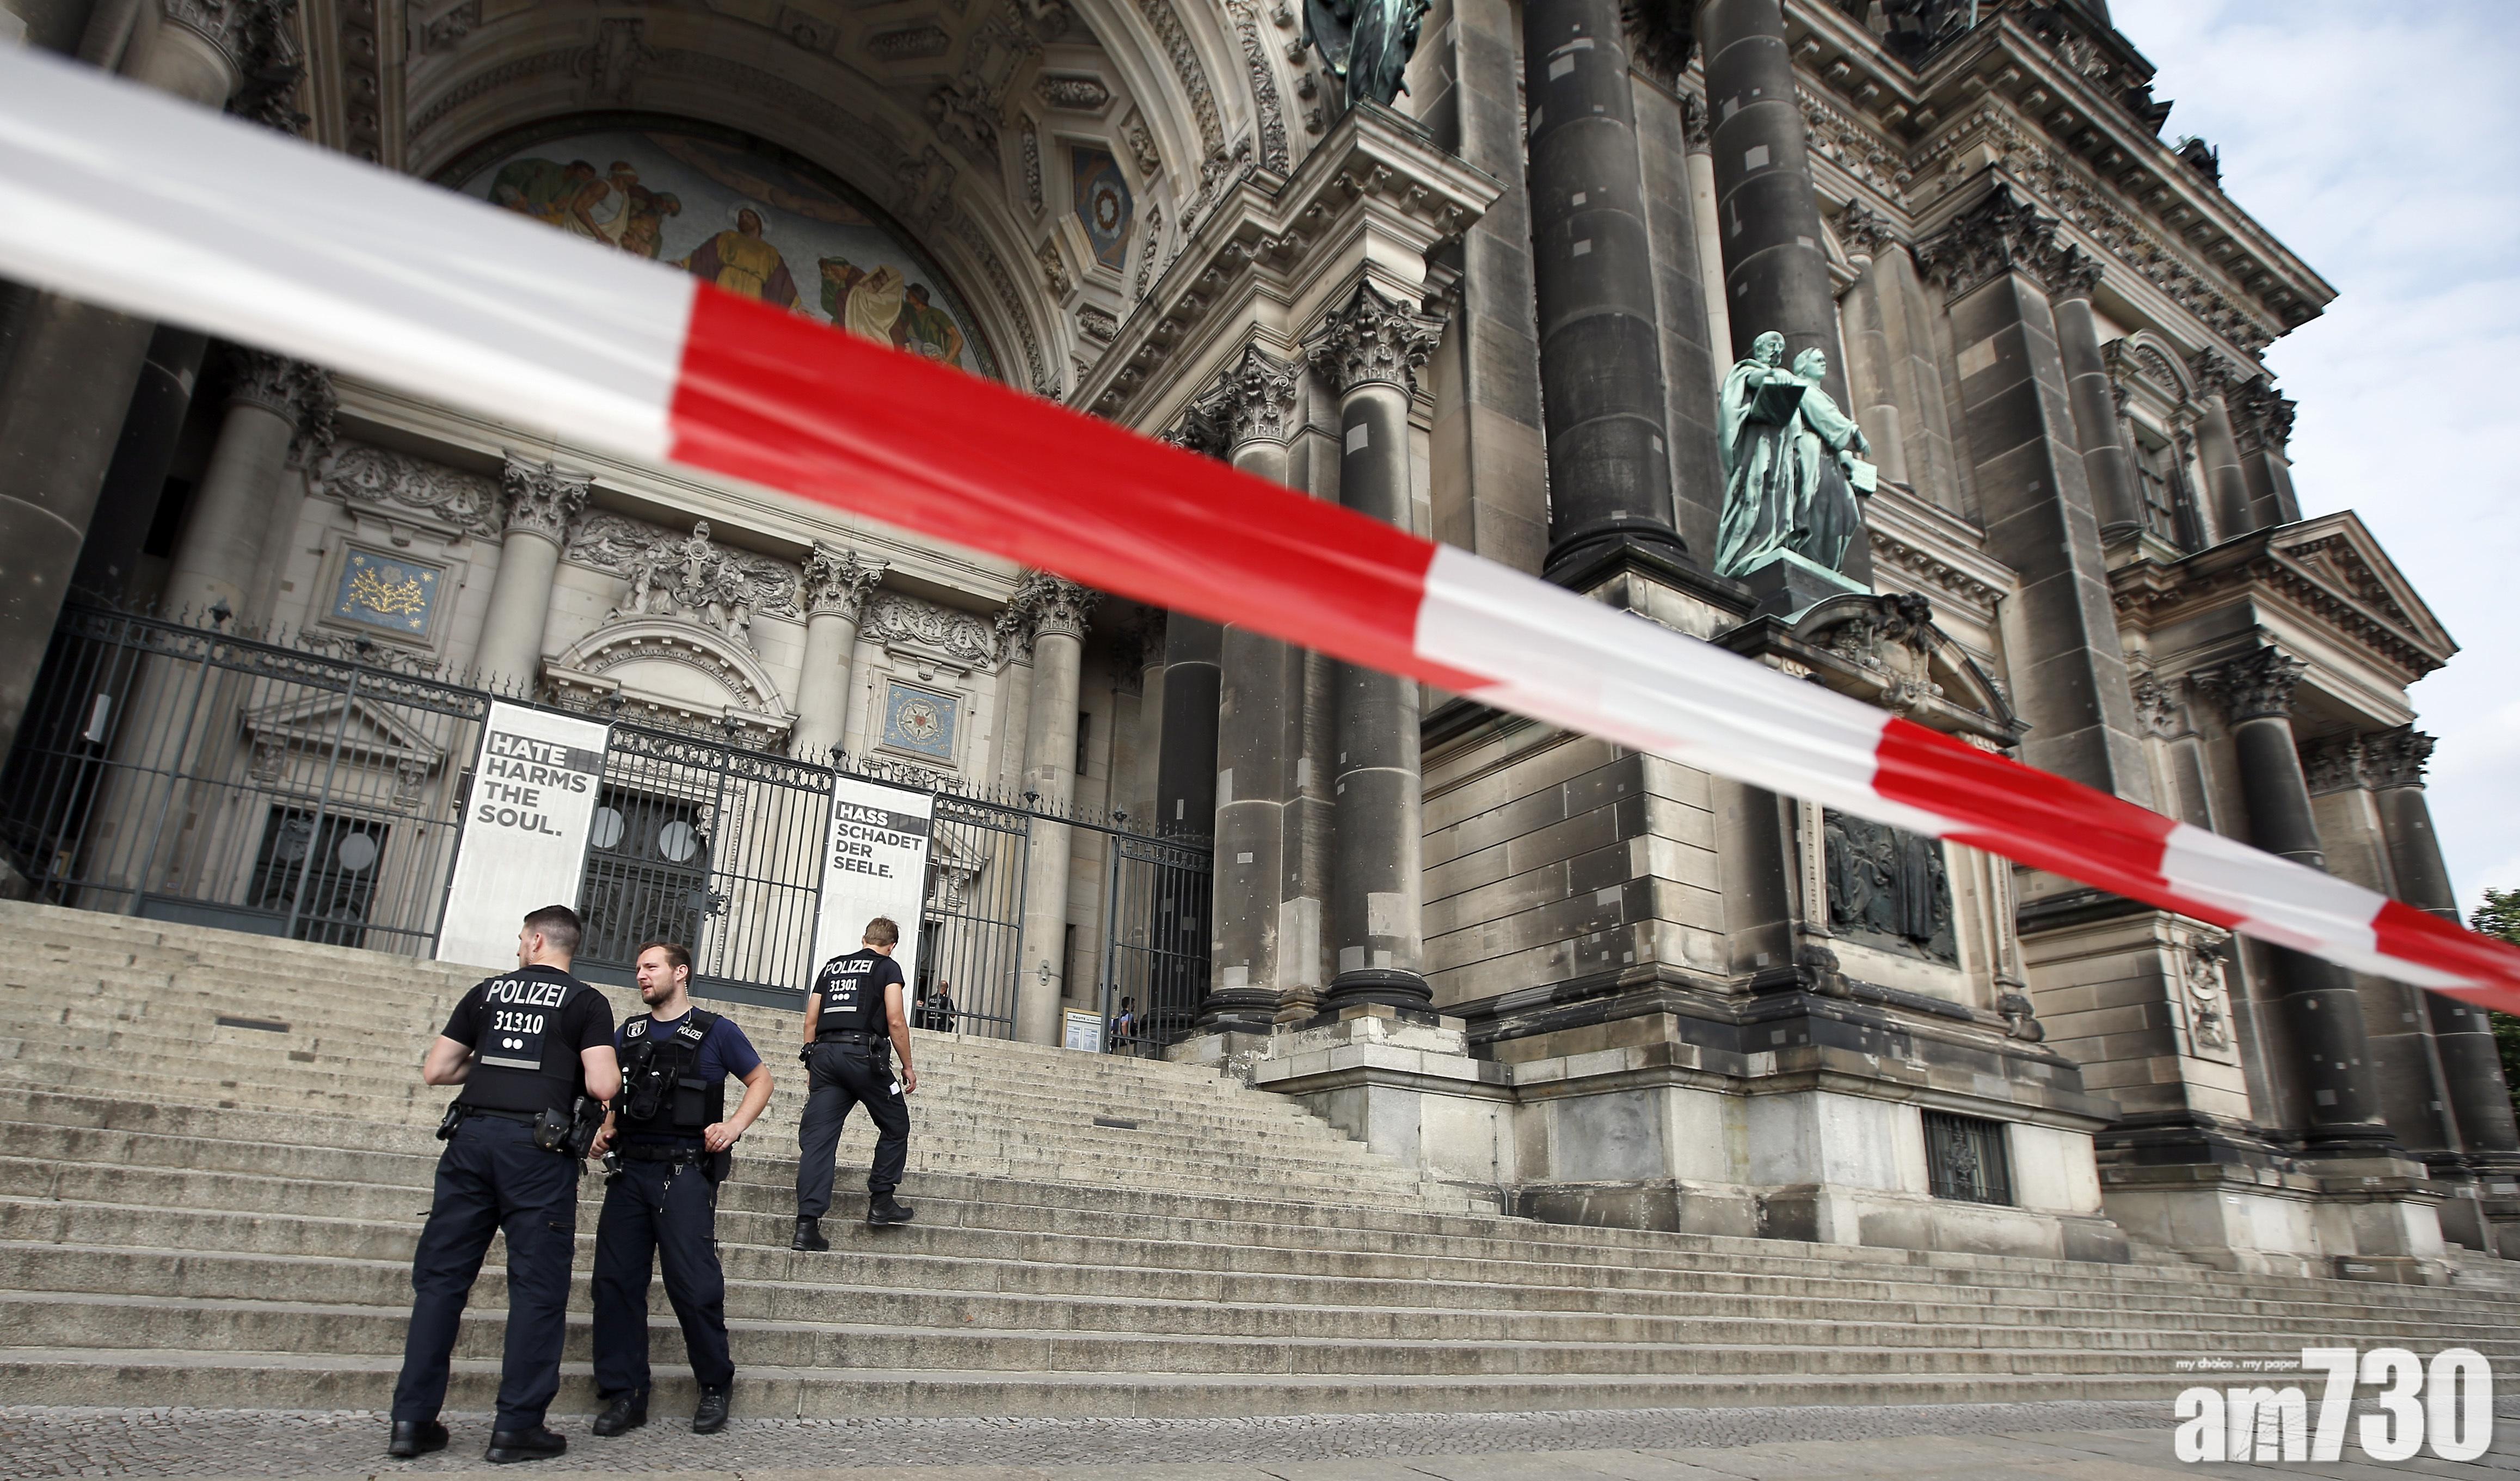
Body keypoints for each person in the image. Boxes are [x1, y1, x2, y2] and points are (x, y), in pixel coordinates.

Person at [389, 906, 619, 1465]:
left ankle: (411, 1422)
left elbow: (438, 1070)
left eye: (521, 939)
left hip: (470, 1141)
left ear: (537, 940)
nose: (518, 947)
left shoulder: (486, 994)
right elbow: (605, 1082)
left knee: (441, 1283)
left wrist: (494, 1062)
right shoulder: (585, 1002)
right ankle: (515, 1428)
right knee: (537, 1290)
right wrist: (549, 1066)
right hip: (536, 1153)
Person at [586, 941, 773, 1440]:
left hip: (684, 1173)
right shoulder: (627, 1032)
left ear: (680, 972)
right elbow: (617, 1092)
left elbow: (761, 1078)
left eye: (650, 967)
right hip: (629, 1174)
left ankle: (715, 1384)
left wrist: (733, 1126)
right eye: (638, 968)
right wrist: (605, 1126)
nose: (641, 975)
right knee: (615, 1283)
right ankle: (626, 1393)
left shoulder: (716, 1031)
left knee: (693, 1286)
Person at [792, 915, 918, 1249]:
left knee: (818, 1142)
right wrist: (907, 1065)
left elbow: (811, 1021)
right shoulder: (888, 967)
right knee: (896, 1125)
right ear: (891, 946)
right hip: (864, 1059)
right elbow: (895, 1018)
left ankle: (806, 1226)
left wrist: (812, 1069)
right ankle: (881, 1202)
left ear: (864, 939)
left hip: (824, 1058)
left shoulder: (832, 968)